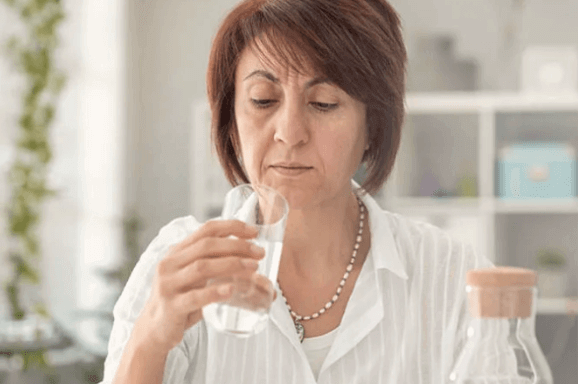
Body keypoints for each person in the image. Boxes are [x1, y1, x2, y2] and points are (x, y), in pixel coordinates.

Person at [100, 0, 492, 383]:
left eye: (323, 103)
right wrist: (149, 341)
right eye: (263, 100)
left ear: (374, 126)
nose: (289, 132)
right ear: (231, 122)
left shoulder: (454, 278)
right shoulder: (176, 268)